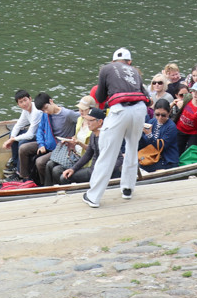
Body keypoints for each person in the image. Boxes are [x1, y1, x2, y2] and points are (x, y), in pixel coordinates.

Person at [83, 47, 149, 208]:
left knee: (107, 152)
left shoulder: (106, 68)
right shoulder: (135, 72)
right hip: (140, 109)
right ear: (129, 62)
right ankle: (127, 188)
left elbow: (99, 97)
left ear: (113, 61)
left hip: (119, 110)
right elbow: (147, 96)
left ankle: (93, 196)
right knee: (132, 148)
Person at [23, 94, 80, 184]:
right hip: (47, 143)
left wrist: (76, 135)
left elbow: (83, 120)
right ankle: (25, 178)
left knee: (40, 162)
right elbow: (40, 130)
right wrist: (41, 144)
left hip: (61, 147)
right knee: (23, 148)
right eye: (43, 110)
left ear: (51, 101)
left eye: (46, 108)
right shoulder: (45, 115)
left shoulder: (67, 114)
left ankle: (45, 184)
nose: (46, 111)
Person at [58, 108, 122, 185]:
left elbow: (120, 159)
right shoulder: (93, 134)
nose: (88, 123)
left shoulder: (108, 136)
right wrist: (73, 169)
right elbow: (88, 154)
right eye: (87, 120)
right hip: (93, 170)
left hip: (105, 174)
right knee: (64, 177)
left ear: (100, 122)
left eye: (91, 120)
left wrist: (106, 171)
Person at [2, 90, 42, 179]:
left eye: (25, 100)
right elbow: (19, 125)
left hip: (40, 136)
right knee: (12, 134)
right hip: (33, 134)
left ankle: (20, 172)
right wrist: (11, 138)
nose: (24, 103)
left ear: (30, 99)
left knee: (22, 142)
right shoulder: (25, 110)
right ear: (18, 105)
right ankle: (16, 164)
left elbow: (31, 134)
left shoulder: (36, 111)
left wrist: (12, 140)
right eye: (21, 102)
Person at [138, 99, 180, 172]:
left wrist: (149, 135)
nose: (160, 117)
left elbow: (161, 146)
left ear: (169, 113)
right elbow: (144, 143)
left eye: (163, 115)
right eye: (157, 114)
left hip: (166, 159)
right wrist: (139, 134)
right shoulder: (152, 122)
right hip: (151, 156)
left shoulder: (171, 126)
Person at [173, 81, 197, 154]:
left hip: (193, 133)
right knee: (177, 150)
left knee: (192, 151)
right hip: (180, 129)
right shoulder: (187, 99)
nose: (195, 94)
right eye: (193, 91)